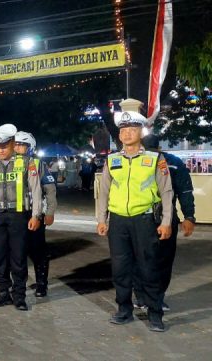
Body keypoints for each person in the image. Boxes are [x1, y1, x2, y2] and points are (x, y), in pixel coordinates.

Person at [96, 99, 174, 332]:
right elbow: (104, 193)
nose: (127, 133)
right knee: (120, 268)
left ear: (141, 132)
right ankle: (124, 309)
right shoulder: (112, 160)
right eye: (123, 130)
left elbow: (166, 192)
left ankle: (155, 313)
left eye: (132, 129)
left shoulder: (154, 159)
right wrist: (102, 219)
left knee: (148, 267)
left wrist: (167, 222)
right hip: (118, 221)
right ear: (119, 135)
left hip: (145, 220)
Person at [0, 124, 42, 311]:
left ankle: (19, 296)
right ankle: (2, 293)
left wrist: (36, 215)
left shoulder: (26, 162)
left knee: (18, 257)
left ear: (12, 144)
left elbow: (36, 191)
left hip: (19, 216)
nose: (0, 150)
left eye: (4, 146)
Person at [134, 135, 195, 313]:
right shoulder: (173, 161)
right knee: (163, 260)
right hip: (166, 217)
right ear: (159, 146)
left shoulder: (137, 160)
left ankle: (143, 297)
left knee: (140, 258)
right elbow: (185, 191)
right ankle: (155, 298)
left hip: (142, 217)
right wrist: (189, 216)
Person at [14, 131, 57, 297]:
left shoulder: (38, 164)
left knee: (38, 251)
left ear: (30, 147)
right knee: (17, 252)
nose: (17, 148)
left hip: (33, 213)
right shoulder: (6, 163)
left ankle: (41, 284)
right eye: (15, 144)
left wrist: (50, 212)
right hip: (14, 215)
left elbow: (50, 190)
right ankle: (19, 284)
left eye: (21, 145)